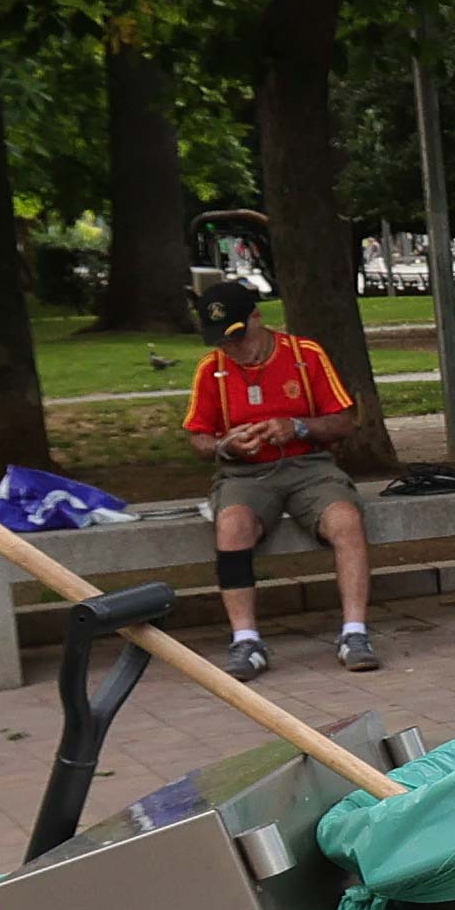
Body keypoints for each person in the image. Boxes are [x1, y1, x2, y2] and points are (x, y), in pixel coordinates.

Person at [180, 285, 381, 676]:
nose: (231, 347)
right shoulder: (211, 369)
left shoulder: (305, 356)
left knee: (345, 519)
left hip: (309, 466)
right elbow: (197, 439)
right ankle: (246, 640)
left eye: (237, 336)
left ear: (257, 318)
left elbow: (345, 421)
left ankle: (354, 632)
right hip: (245, 473)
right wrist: (227, 445)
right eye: (222, 339)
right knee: (232, 525)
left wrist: (298, 427)